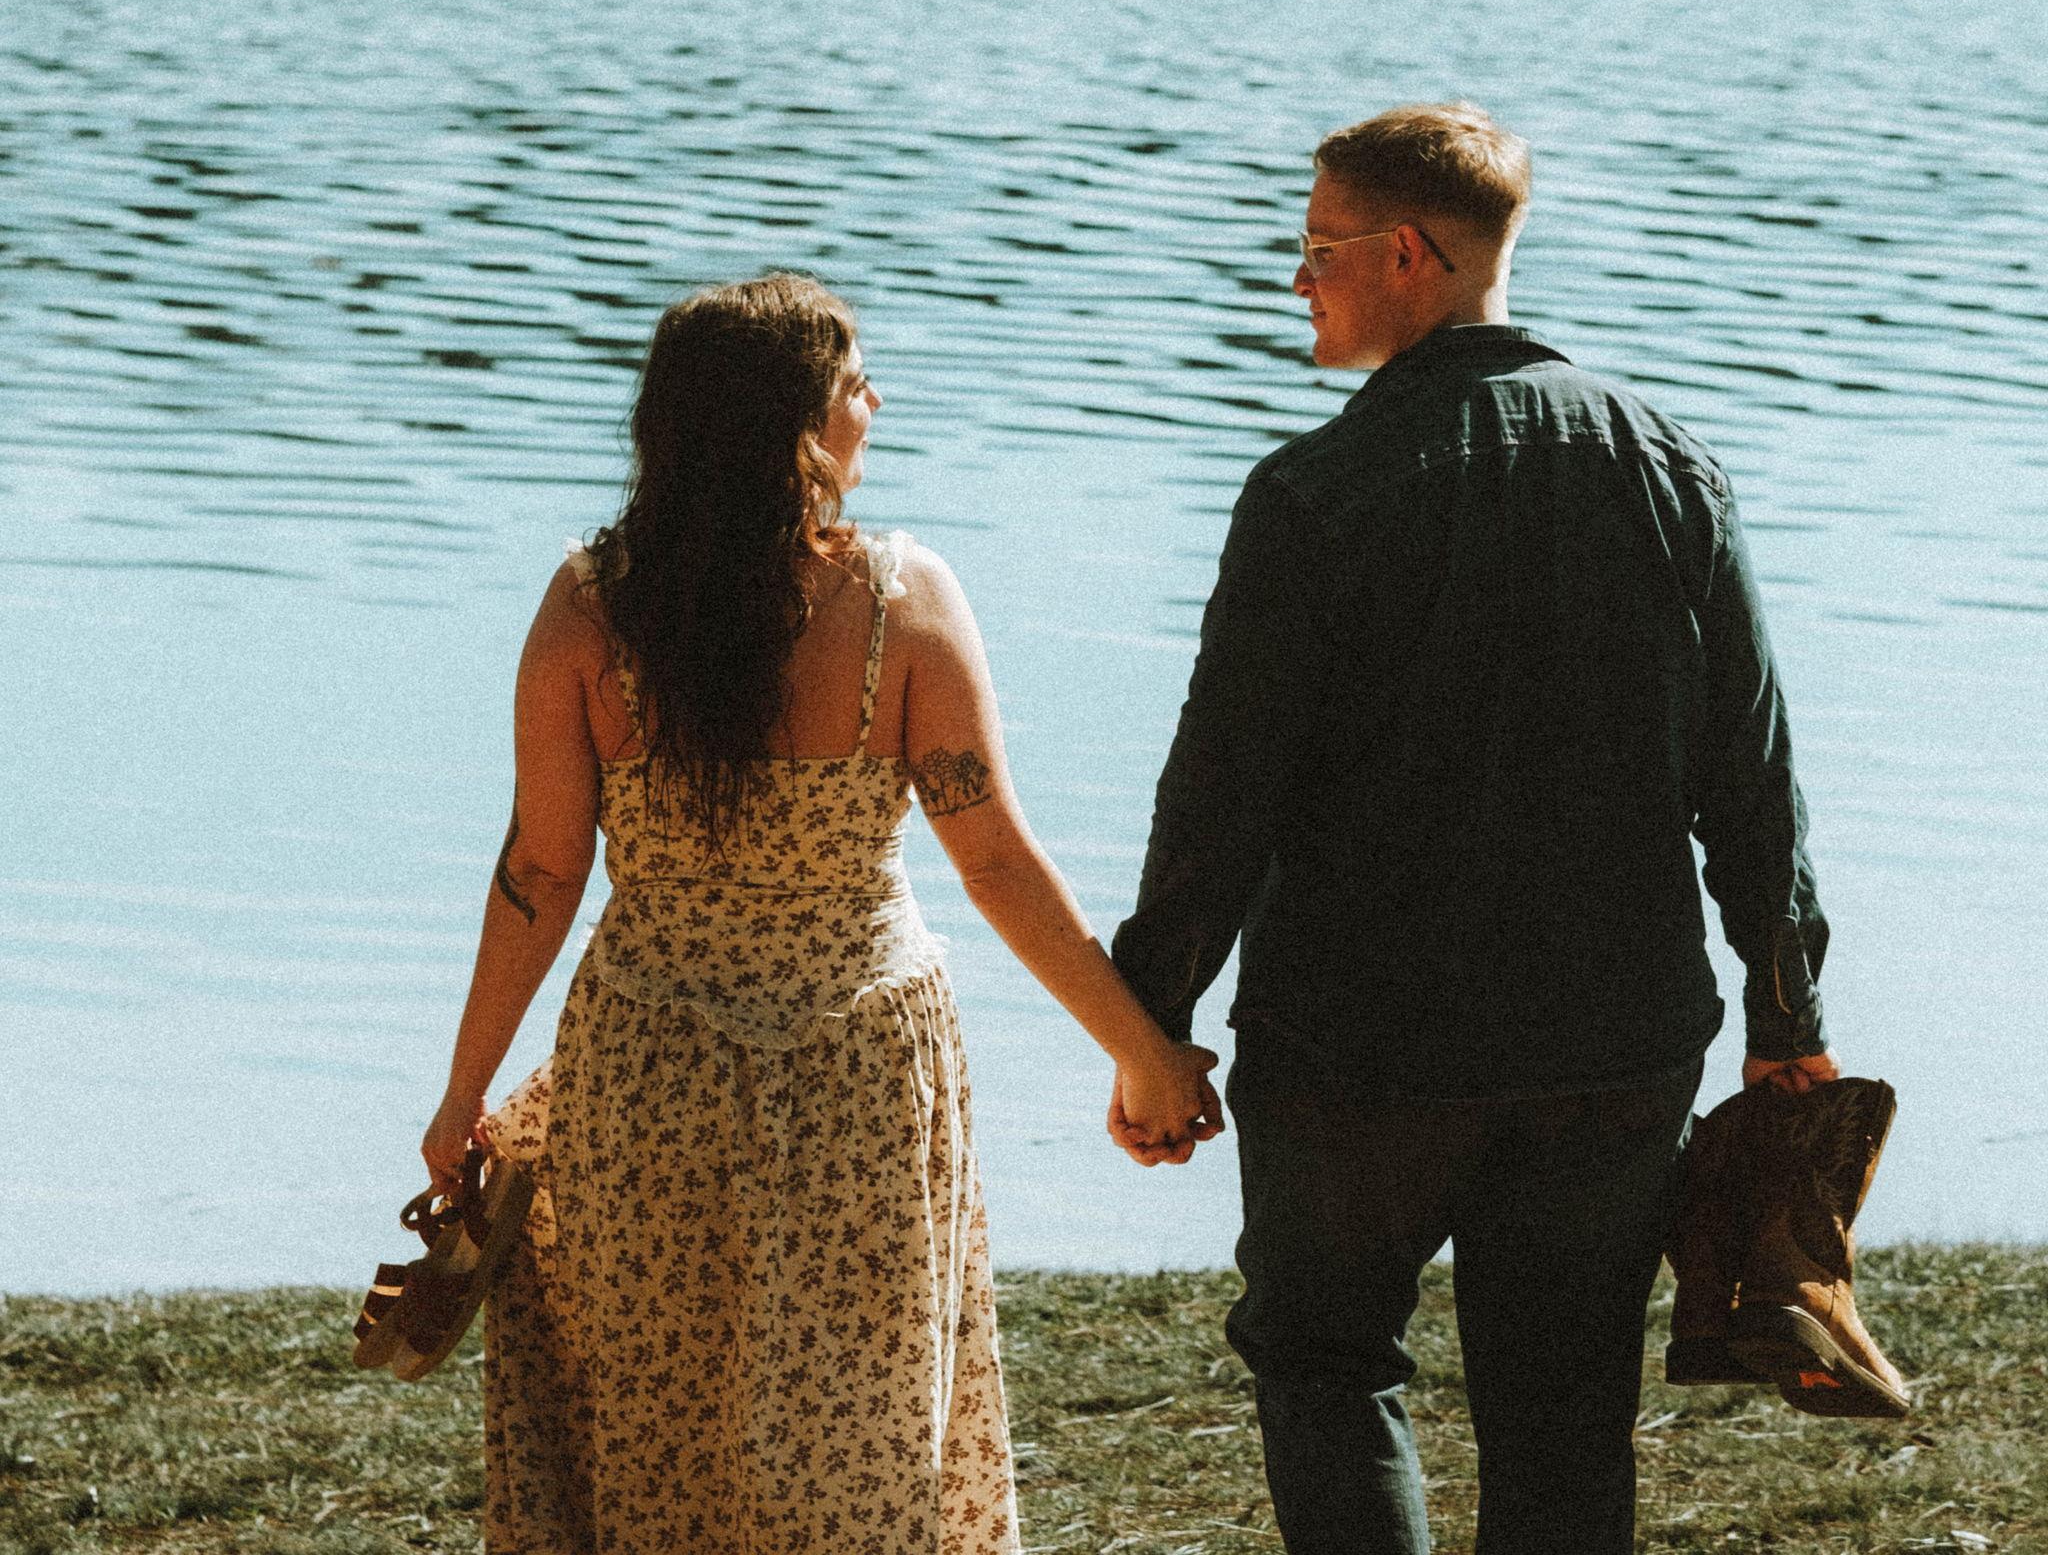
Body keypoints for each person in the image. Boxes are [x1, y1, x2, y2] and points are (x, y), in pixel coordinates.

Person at [1107, 104, 1839, 1555]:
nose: (1296, 279)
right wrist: (1784, 1009)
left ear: (1406, 254)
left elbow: (1219, 798)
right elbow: (1751, 774)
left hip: (1359, 1052)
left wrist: (1152, 1024)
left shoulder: (1312, 495)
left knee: (1327, 1361)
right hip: (1611, 1050)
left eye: (1317, 248)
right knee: (1564, 1410)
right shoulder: (1672, 470)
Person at [420, 273, 1216, 1555]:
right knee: (860, 1439)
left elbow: (541, 872)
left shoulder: (588, 606)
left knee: (658, 1440)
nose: (874, 402)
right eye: (853, 382)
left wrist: (462, 1095)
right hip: (858, 1069)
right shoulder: (903, 600)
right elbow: (992, 857)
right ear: (793, 426)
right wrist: (1142, 1051)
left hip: (647, 1066)